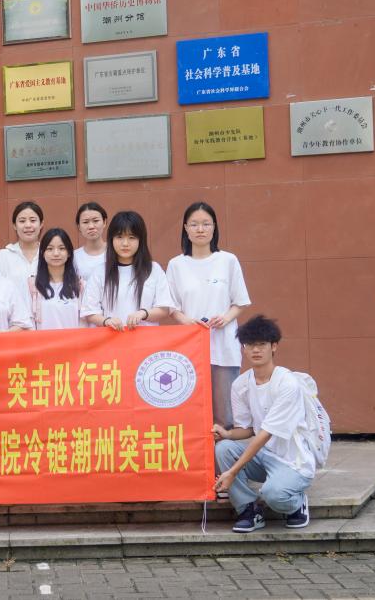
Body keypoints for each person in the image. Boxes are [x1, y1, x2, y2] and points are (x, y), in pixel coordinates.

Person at [214, 315, 314, 533]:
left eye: (261, 344)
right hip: (264, 457)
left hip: (293, 462)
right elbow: (248, 429)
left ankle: (296, 503)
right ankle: (249, 510)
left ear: (274, 346)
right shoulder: (240, 384)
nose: (255, 350)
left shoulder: (287, 384)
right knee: (223, 448)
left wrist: (232, 472)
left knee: (274, 495)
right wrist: (227, 434)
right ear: (243, 348)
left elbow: (265, 433)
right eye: (250, 345)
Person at [167, 202, 251, 428]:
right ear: (186, 228)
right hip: (190, 347)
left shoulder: (228, 260)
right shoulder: (176, 265)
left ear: (214, 227)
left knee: (225, 413)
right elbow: (171, 306)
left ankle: (224, 450)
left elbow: (240, 301)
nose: (200, 229)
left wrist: (225, 318)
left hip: (223, 345)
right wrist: (187, 321)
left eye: (206, 224)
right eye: (194, 224)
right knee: (192, 408)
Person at [82, 211, 175, 330]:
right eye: (119, 237)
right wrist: (107, 321)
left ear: (140, 240)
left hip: (147, 339)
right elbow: (90, 311)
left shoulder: (153, 269)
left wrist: (143, 313)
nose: (125, 243)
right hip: (112, 338)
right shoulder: (100, 272)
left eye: (131, 237)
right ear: (111, 239)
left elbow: (164, 308)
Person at [0, 201, 44, 309]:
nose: (28, 225)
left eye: (33, 220)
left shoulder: (50, 255)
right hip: (13, 318)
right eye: (22, 221)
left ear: (41, 224)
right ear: (14, 225)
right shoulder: (2, 257)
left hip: (48, 317)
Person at [34, 228, 84, 330]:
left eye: (62, 248)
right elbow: (28, 323)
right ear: (42, 253)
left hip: (74, 340)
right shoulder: (33, 287)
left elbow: (86, 323)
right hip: (43, 340)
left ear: (69, 253)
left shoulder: (80, 285)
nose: (56, 253)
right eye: (50, 249)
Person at [73, 202, 108, 281]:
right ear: (79, 226)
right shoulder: (74, 257)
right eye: (85, 222)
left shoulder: (115, 252)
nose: (91, 226)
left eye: (96, 221)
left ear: (104, 222)